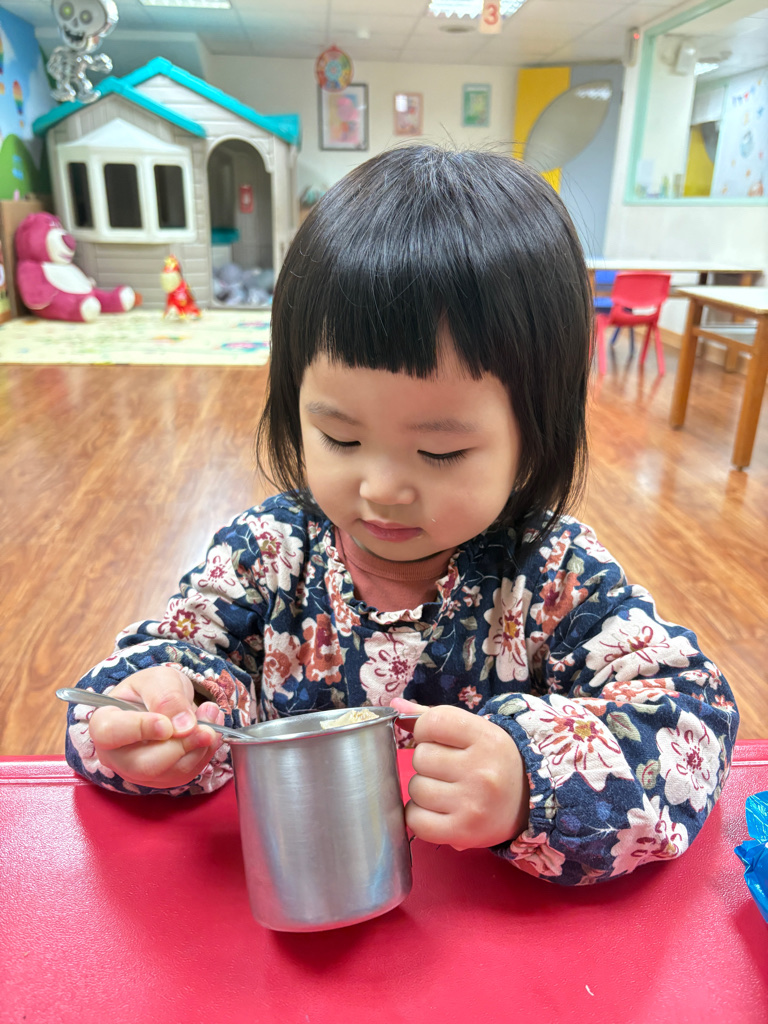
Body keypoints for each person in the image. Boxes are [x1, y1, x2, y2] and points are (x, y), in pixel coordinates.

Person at [66, 145, 738, 885]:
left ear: (536, 433)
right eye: (340, 437)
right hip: (293, 903)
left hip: (491, 940)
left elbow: (692, 719)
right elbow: (168, 659)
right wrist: (159, 713)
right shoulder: (267, 555)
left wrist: (532, 782)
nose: (383, 489)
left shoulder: (555, 578)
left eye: (441, 451)